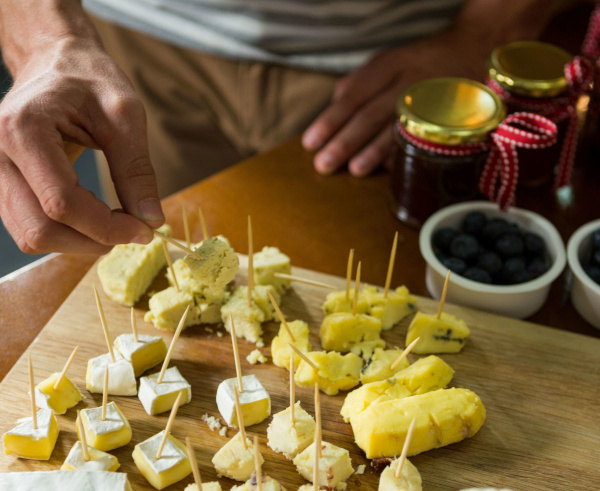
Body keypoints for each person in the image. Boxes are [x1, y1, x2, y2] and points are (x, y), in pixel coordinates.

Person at [0, 0, 561, 256]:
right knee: (165, 272)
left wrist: (481, 33)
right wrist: (45, 37)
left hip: (387, 66)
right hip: (125, 51)